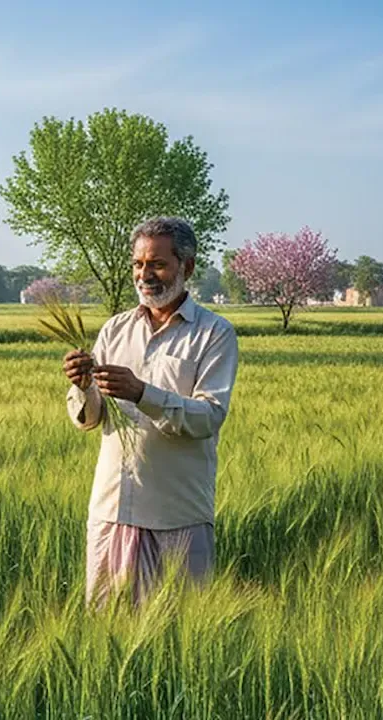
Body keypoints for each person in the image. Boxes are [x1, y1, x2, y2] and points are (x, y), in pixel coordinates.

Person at [62, 216, 239, 607]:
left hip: (178, 516)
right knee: (106, 630)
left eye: (157, 264)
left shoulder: (214, 334)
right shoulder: (114, 329)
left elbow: (207, 418)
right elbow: (91, 420)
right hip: (112, 511)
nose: (145, 274)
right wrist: (82, 386)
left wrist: (143, 393)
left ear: (187, 267)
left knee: (184, 637)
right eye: (138, 264)